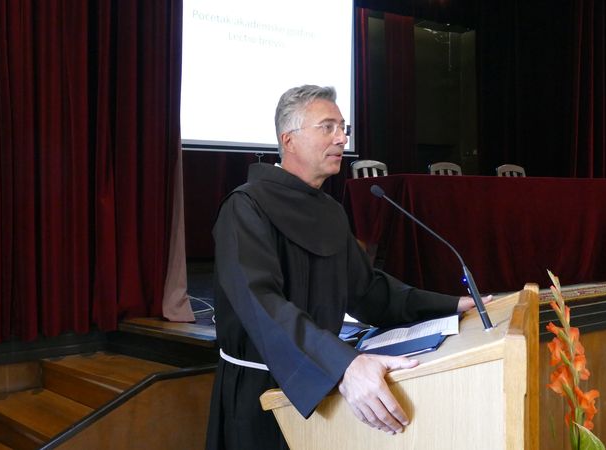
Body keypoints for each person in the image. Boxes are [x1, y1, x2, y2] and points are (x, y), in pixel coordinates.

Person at [205, 85, 489, 449]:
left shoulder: (330, 211)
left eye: (343, 128)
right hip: (260, 397)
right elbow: (260, 304)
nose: (342, 138)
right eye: (328, 127)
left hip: (328, 389)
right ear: (289, 140)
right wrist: (344, 364)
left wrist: (450, 305)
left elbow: (368, 292)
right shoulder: (245, 207)